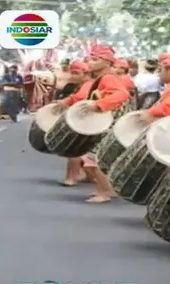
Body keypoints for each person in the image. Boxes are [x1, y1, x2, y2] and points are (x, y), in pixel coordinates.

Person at [55, 45, 130, 203]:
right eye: (91, 58)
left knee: (94, 159)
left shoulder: (108, 78)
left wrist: (97, 104)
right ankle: (105, 190)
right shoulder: (102, 78)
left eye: (95, 59)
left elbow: (122, 95)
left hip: (108, 124)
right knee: (93, 159)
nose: (90, 61)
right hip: (106, 123)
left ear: (106, 62)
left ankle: (104, 193)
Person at [60, 60, 92, 187]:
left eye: (75, 73)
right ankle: (86, 175)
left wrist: (66, 101)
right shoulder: (85, 84)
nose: (72, 76)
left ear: (85, 74)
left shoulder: (88, 84)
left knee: (74, 149)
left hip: (84, 119)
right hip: (85, 118)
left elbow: (81, 97)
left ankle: (71, 178)